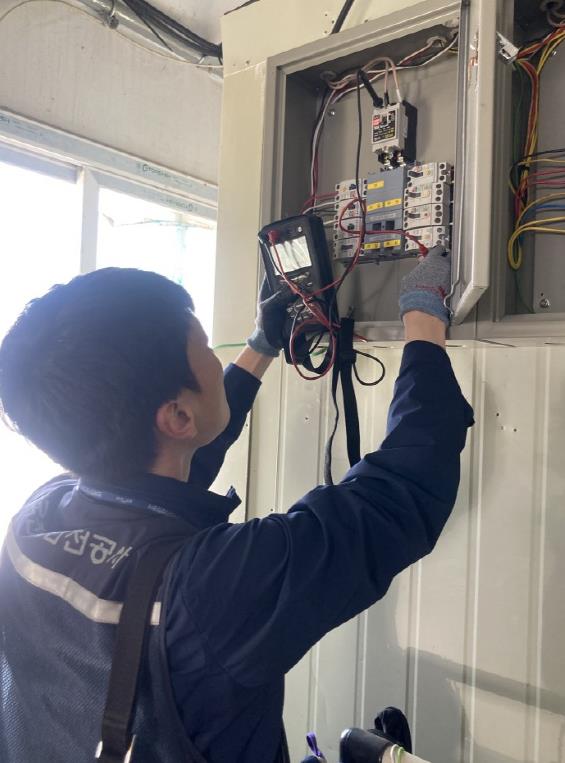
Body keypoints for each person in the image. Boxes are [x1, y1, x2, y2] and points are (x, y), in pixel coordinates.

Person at [0, 248, 473, 763]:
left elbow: (167, 471)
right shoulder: (210, 589)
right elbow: (404, 489)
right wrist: (422, 316)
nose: (213, 355)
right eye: (204, 345)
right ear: (177, 417)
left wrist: (259, 348)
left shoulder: (37, 520)